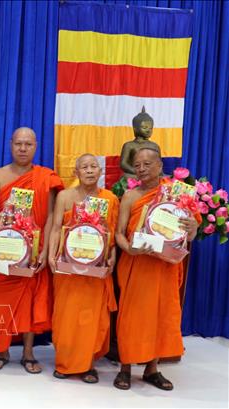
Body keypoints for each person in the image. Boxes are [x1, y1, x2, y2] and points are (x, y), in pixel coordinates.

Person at [113, 147, 199, 391]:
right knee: (132, 316)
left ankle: (152, 369)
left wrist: (192, 227)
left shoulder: (176, 193)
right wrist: (129, 249)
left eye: (147, 164)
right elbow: (119, 233)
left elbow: (190, 233)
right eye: (137, 165)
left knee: (160, 316)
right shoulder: (130, 196)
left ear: (160, 165)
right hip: (137, 263)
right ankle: (125, 368)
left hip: (164, 265)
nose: (141, 169)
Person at [0, 127, 63, 374]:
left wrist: (45, 250)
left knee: (31, 300)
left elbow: (50, 216)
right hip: (3, 250)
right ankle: (1, 350)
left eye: (28, 144)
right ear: (11, 145)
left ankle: (28, 352)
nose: (23, 148)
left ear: (35, 146)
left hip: (33, 251)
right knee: (0, 301)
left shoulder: (45, 177)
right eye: (18, 144)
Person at [47, 153, 119, 383]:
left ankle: (87, 364)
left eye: (93, 166)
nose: (89, 170)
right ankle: (65, 363)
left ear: (100, 171)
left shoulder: (109, 199)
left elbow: (112, 235)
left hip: (96, 270)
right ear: (76, 172)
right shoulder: (65, 197)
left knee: (91, 318)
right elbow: (56, 228)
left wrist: (112, 258)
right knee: (66, 316)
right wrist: (51, 255)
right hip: (68, 268)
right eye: (84, 167)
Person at [119, 107, 161, 178]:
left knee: (166, 178)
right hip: (135, 174)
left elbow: (158, 164)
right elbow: (123, 164)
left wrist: (159, 173)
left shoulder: (154, 146)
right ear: (135, 129)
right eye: (144, 128)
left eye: (150, 128)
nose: (148, 130)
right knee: (127, 176)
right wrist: (137, 171)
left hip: (151, 175)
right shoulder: (129, 145)